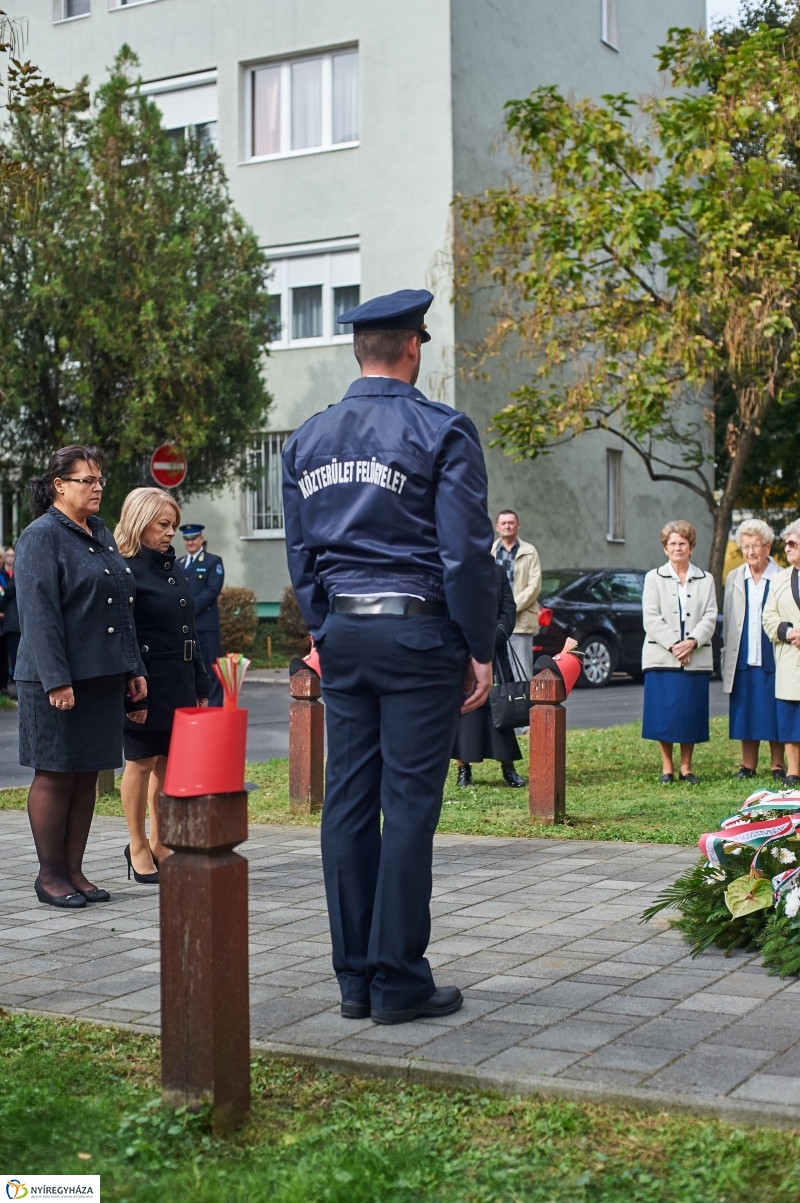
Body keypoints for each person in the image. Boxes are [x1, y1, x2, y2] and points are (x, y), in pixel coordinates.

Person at [283, 288, 496, 1026]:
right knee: (406, 806)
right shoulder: (442, 429)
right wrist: (479, 646)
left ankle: (354, 978)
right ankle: (397, 980)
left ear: (357, 351)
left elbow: (300, 553)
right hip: (418, 633)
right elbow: (465, 553)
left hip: (344, 631)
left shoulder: (306, 438)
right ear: (413, 347)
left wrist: (324, 627)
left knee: (346, 802)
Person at [14, 446, 147, 908]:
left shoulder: (100, 532)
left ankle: (74, 870)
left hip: (102, 676)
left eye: (99, 480)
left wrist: (133, 668)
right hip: (56, 678)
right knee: (55, 773)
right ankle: (50, 875)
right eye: (87, 480)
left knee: (87, 774)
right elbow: (39, 615)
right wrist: (56, 680)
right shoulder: (40, 536)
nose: (97, 488)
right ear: (59, 485)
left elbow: (122, 608)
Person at [116, 489, 210, 883]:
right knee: (141, 761)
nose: (170, 532)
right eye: (163, 525)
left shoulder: (174, 568)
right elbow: (125, 635)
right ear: (140, 523)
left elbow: (190, 630)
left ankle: (160, 842)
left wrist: (201, 682)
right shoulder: (125, 571)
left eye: (173, 525)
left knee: (169, 765)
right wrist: (132, 690)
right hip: (145, 681)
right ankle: (136, 845)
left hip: (179, 679)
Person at [641, 520, 717, 784]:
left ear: (691, 547)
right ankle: (667, 767)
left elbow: (710, 616)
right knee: (664, 714)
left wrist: (692, 642)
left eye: (682, 543)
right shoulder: (653, 578)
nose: (677, 548)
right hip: (662, 657)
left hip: (695, 657)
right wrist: (676, 645)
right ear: (665, 548)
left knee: (689, 713)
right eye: (672, 543)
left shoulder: (706, 579)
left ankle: (686, 767)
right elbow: (651, 618)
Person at [722, 519, 784, 781]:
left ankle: (777, 765)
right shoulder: (735, 577)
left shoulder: (782, 576)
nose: (750, 552)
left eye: (755, 546)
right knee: (745, 711)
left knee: (775, 710)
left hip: (773, 653)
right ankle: (747, 765)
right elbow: (728, 618)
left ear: (767, 546)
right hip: (743, 653)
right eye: (745, 546)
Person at [454, 562, 525, 788]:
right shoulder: (455, 570)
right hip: (463, 652)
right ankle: (463, 769)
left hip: (495, 650)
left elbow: (508, 609)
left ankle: (508, 768)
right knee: (465, 710)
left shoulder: (497, 571)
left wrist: (490, 640)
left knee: (501, 708)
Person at [762, 519, 800, 786]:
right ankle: (793, 772)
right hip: (790, 659)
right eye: (786, 543)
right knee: (790, 718)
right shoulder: (778, 580)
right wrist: (788, 632)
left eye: (793, 543)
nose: (787, 548)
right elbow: (768, 617)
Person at [491, 510, 542, 682]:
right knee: (498, 676)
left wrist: (510, 608)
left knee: (523, 675)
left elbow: (535, 586)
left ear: (518, 526)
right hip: (496, 623)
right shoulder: (490, 552)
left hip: (522, 622)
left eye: (511, 523)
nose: (507, 526)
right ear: (497, 527)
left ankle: (525, 701)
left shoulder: (530, 551)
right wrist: (504, 612)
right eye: (503, 523)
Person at [178, 523, 224, 706]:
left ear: (201, 539)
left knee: (211, 667)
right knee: (187, 667)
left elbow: (211, 591)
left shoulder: (213, 561)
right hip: (185, 625)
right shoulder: (178, 563)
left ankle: (215, 706)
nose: (190, 542)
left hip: (205, 624)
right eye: (187, 539)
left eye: (194, 538)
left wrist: (187, 609)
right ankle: (193, 706)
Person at [0, 546, 20, 697]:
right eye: (8, 555)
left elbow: (6, 593)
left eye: (13, 555)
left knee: (15, 657)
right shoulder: (7, 576)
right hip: (11, 623)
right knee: (10, 656)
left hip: (13, 623)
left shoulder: (16, 574)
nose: (10, 558)